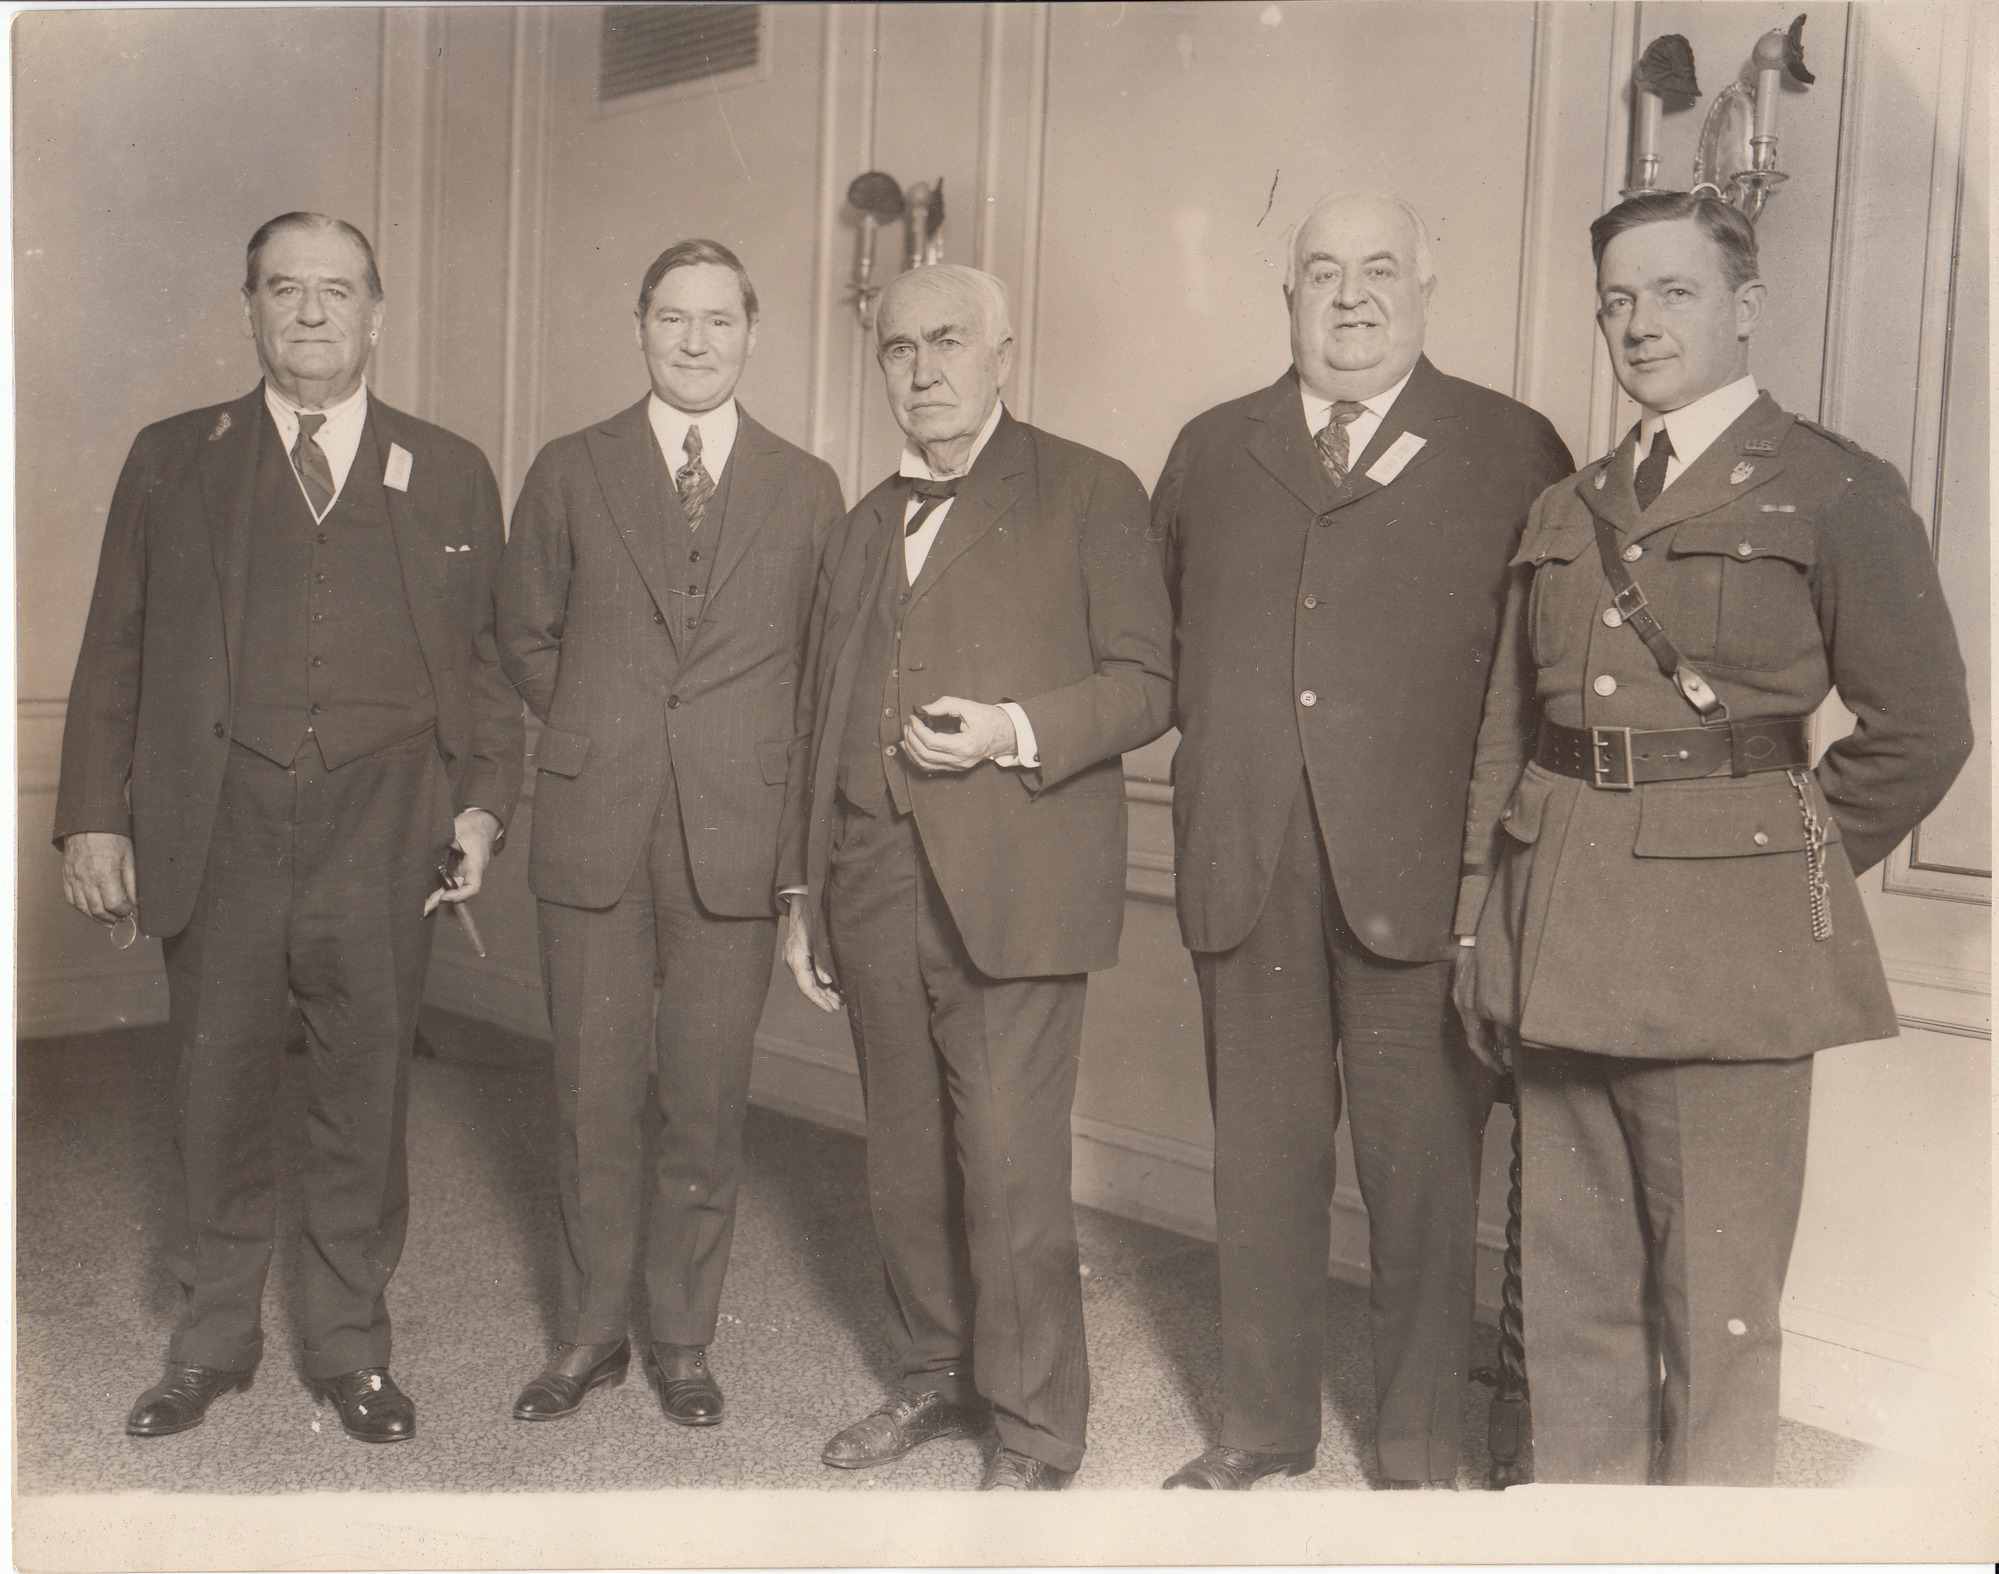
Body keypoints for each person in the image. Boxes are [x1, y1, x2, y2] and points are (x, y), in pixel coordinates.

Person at [1455, 191, 1972, 1484]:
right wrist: (1478, 915)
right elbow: (1506, 731)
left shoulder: (1832, 490)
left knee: (1712, 1314)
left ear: (1744, 307)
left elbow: (1919, 730)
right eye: (1616, 299)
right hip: (1559, 931)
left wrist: (1765, 865)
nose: (1636, 323)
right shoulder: (1567, 507)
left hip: (1722, 964)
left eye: (1670, 292)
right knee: (1570, 1315)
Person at [55, 212, 523, 1443]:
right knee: (217, 1087)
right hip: (221, 825)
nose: (311, 312)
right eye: (284, 289)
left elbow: (484, 666)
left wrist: (477, 808)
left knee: (364, 1095)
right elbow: (115, 642)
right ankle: (210, 1339)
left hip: (386, 830)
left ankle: (351, 1346)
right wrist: (93, 818)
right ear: (248, 309)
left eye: (337, 291)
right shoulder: (173, 456)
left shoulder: (453, 467)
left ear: (378, 312)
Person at [1151, 192, 1573, 1490]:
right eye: (1319, 272)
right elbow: (1155, 644)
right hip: (1249, 872)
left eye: (1376, 269)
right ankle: (1261, 1427)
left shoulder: (1509, 448)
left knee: (1422, 1186)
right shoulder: (1212, 448)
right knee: (1260, 1172)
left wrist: (1490, 884)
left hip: (1424, 884)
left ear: (1422, 288)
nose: (1348, 296)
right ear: (1285, 297)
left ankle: (1416, 1453)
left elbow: (1545, 679)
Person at [777, 263, 1173, 1489]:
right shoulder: (861, 518)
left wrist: (1011, 726)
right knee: (902, 1158)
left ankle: (1038, 1430)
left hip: (1012, 883)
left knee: (1006, 1167)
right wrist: (801, 895)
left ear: (1003, 353)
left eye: (949, 342)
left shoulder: (1089, 489)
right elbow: (818, 711)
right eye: (899, 349)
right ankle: (932, 1377)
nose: (924, 368)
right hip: (868, 879)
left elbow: (1151, 685)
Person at [495, 239, 843, 1427]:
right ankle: (589, 1333)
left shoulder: (807, 487)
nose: (695, 343)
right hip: (598, 825)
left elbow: (816, 675)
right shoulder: (571, 467)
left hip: (733, 836)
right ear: (637, 326)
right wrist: (601, 725)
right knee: (593, 1095)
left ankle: (683, 1338)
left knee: (704, 1097)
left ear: (753, 332)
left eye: (718, 321)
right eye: (671, 320)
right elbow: (522, 633)